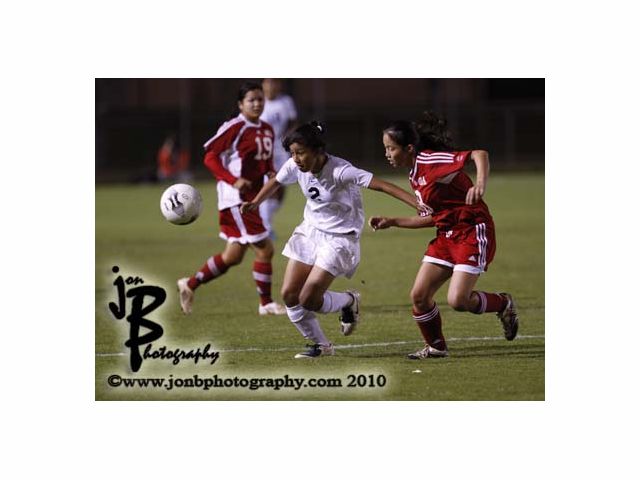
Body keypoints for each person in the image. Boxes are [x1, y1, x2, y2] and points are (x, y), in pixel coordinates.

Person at [241, 121, 419, 358]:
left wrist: (419, 204)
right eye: (292, 153)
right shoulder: (295, 165)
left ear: (317, 150)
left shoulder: (340, 171)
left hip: (339, 238)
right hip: (310, 232)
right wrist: (255, 202)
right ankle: (322, 345)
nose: (295, 159)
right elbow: (276, 181)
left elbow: (383, 186)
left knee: (308, 298)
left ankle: (348, 301)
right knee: (290, 295)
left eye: (300, 153)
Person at [369, 112, 519, 359]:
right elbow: (436, 218)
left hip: (472, 230)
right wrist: (393, 221)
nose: (387, 154)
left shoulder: (429, 160)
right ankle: (437, 347)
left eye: (391, 148)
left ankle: (503, 304)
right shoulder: (414, 174)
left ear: (409, 148)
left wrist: (479, 185)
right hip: (446, 235)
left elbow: (479, 154)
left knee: (458, 300)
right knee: (419, 296)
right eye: (385, 148)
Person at [177, 82, 286, 316]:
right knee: (265, 249)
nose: (257, 103)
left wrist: (270, 173)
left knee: (232, 256)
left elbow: (265, 160)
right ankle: (266, 304)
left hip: (251, 199)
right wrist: (233, 180)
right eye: (251, 100)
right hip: (237, 199)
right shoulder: (235, 127)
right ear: (240, 104)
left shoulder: (267, 128)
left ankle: (189, 284)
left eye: (260, 99)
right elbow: (210, 157)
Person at [259, 79, 298, 238]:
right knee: (270, 182)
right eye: (268, 83)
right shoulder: (258, 102)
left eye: (274, 83)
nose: (271, 86)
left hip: (281, 149)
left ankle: (264, 214)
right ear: (263, 85)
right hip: (264, 149)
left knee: (281, 185)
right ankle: (266, 227)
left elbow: (293, 122)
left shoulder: (286, 101)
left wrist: (288, 137)